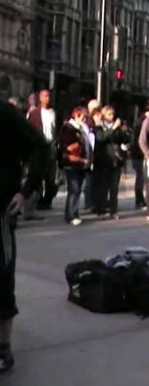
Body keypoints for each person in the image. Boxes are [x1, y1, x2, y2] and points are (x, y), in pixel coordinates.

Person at [0, 99, 49, 374]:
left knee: (1, 278)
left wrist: (25, 190)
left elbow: (40, 147)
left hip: (0, 211)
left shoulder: (4, 113)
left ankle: (3, 348)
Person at [59, 107, 93, 226]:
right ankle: (71, 215)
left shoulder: (80, 128)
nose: (84, 120)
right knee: (74, 189)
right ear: (76, 115)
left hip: (80, 163)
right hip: (72, 163)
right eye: (83, 117)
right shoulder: (68, 128)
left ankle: (73, 212)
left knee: (77, 189)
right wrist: (78, 149)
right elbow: (68, 147)